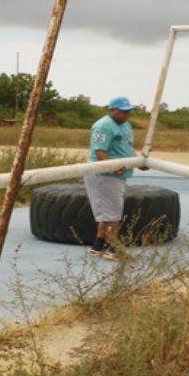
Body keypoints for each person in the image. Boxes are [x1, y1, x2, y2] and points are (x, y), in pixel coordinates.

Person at [84, 96, 146, 261]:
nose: (127, 115)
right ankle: (113, 249)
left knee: (108, 213)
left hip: (117, 175)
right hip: (105, 175)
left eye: (129, 111)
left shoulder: (125, 126)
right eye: (124, 111)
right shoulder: (103, 126)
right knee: (113, 214)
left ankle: (98, 247)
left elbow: (127, 148)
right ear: (112, 110)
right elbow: (99, 152)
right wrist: (113, 167)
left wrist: (138, 162)